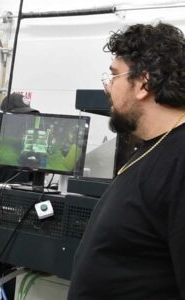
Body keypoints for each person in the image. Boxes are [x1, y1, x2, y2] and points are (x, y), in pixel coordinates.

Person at [68, 22, 185, 300]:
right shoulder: (151, 147)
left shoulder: (180, 160)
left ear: (144, 83)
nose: (108, 88)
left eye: (114, 75)